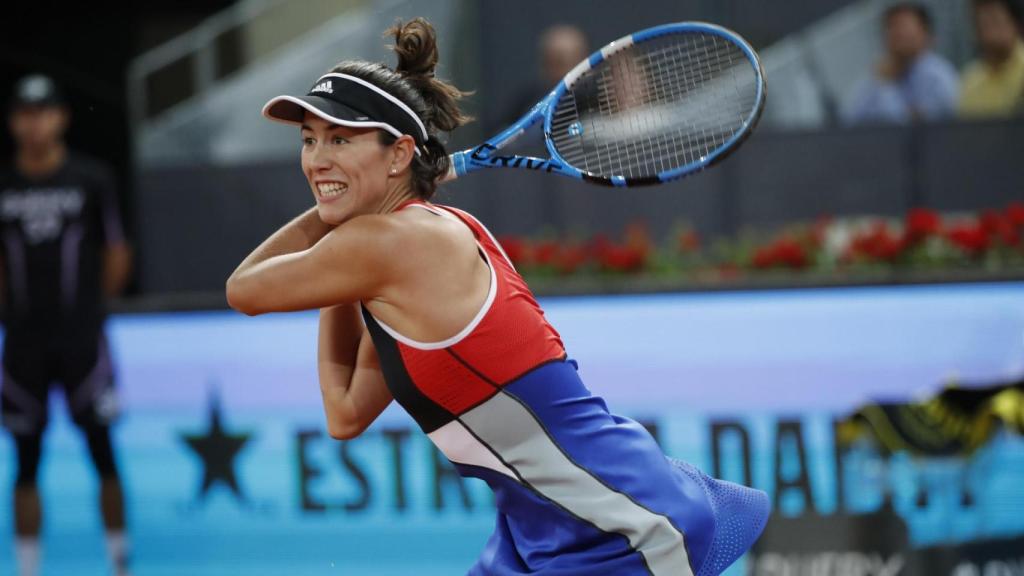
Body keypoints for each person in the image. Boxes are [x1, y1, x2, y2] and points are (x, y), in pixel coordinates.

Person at [228, 18, 770, 575]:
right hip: (540, 529)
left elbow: (243, 289)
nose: (317, 158)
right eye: (309, 140)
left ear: (399, 154)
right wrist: (339, 240)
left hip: (614, 524)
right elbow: (344, 414)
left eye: (340, 140)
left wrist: (332, 223)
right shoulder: (401, 246)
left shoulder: (389, 243)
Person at [0, 74, 133, 576]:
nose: (33, 124)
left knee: (103, 452)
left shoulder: (90, 179)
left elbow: (117, 250)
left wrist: (91, 310)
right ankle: (28, 569)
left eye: (43, 112)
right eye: (24, 114)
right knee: (25, 461)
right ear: (13, 122)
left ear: (61, 118)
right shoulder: (5, 185)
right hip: (22, 345)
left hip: (83, 341)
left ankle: (120, 562)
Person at [842, 3, 959, 125]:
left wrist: (887, 85)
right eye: (891, 27)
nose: (897, 34)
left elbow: (906, 128)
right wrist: (882, 82)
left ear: (925, 34)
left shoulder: (939, 76)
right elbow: (850, 121)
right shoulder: (877, 77)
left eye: (904, 27)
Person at [958, 0, 1024, 118]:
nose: (990, 32)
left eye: (996, 21)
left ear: (1016, 24)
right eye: (983, 24)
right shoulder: (971, 80)